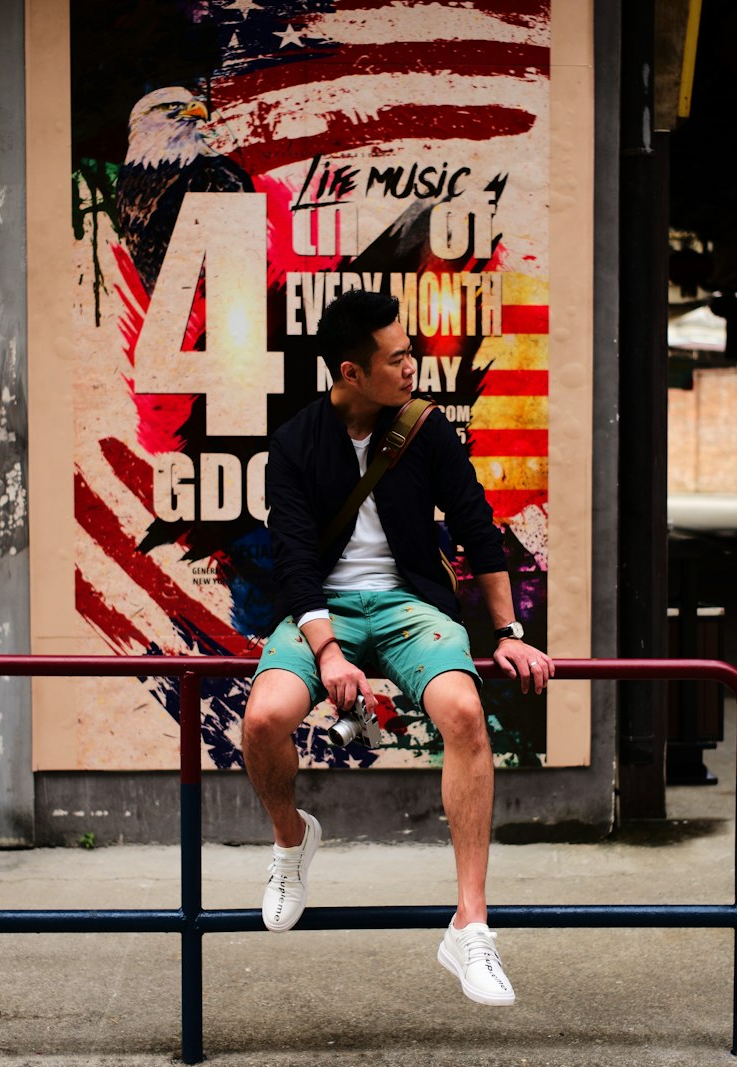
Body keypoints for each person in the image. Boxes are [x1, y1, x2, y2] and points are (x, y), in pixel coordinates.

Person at [241, 287, 554, 1006]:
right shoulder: (295, 443)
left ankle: (469, 926)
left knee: (465, 715)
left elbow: (479, 528)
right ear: (351, 372)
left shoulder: (425, 430)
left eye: (410, 352)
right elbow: (292, 561)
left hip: (411, 608)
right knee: (263, 719)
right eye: (398, 357)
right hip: (320, 612)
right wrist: (328, 654)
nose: (413, 366)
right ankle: (292, 841)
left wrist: (508, 633)